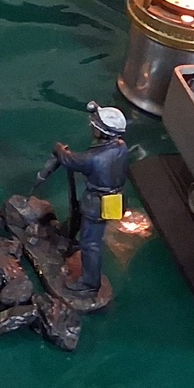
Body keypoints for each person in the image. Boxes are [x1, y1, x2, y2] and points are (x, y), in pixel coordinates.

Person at [38, 103, 131, 296]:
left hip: (98, 204)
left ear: (102, 132)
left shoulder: (94, 159)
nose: (91, 127)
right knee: (79, 216)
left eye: (94, 125)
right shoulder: (120, 146)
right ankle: (66, 233)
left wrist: (60, 150)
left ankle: (89, 283)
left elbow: (71, 160)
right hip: (115, 198)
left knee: (90, 244)